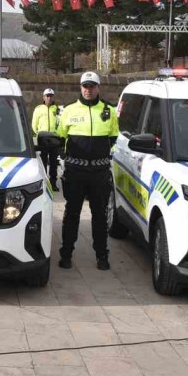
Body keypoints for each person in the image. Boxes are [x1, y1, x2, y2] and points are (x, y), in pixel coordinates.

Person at [56, 71, 120, 271]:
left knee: (99, 216)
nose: (88, 90)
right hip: (75, 172)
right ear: (80, 87)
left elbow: (113, 138)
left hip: (99, 174)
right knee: (72, 214)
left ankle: (102, 256)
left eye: (92, 86)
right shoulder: (68, 110)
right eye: (85, 86)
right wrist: (65, 158)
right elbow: (60, 138)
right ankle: (66, 254)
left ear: (98, 88)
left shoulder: (109, 111)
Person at [31, 87, 62, 191]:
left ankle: (53, 183)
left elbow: (60, 123)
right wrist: (39, 133)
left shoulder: (57, 109)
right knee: (43, 161)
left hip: (54, 139)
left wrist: (57, 135)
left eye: (51, 96)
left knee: (54, 162)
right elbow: (34, 124)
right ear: (43, 97)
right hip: (43, 139)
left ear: (53, 97)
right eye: (47, 96)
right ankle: (44, 182)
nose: (49, 98)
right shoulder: (38, 109)